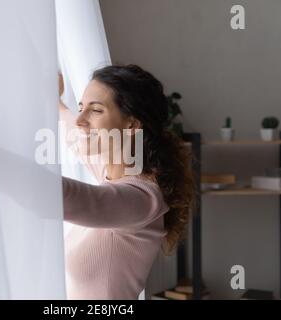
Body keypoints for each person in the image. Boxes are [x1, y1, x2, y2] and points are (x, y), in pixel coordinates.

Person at [59, 64, 195, 300]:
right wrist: (55, 101)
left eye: (96, 110)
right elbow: (75, 133)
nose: (81, 119)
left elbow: (66, 196)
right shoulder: (111, 171)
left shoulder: (142, 199)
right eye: (81, 108)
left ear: (131, 125)